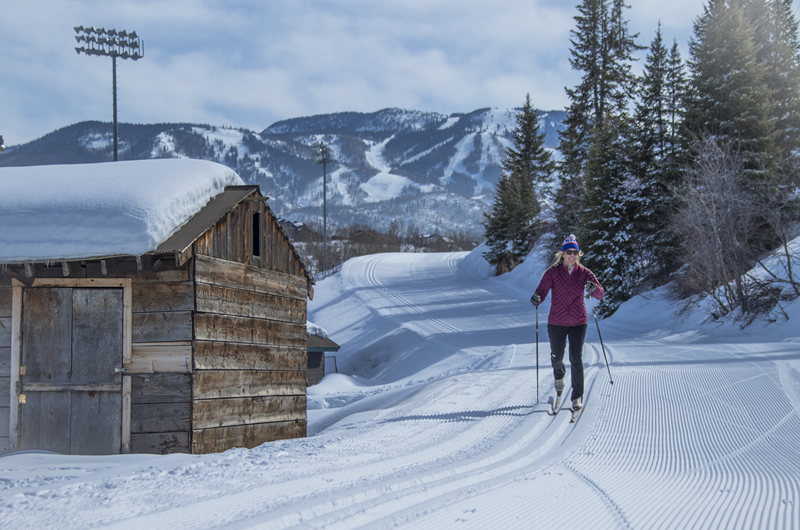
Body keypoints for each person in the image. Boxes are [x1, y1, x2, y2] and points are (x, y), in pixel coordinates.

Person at [530, 234, 604, 411]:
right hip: (557, 321)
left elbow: (600, 294)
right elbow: (542, 291)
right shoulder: (552, 273)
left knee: (576, 357)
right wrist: (537, 298)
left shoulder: (585, 273)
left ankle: (577, 396)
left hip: (578, 321)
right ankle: (559, 375)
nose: (572, 255)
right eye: (569, 252)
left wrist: (594, 289)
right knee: (557, 356)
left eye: (575, 252)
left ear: (579, 254)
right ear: (563, 254)